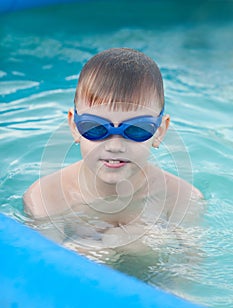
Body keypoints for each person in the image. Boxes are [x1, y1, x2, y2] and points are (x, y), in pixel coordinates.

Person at [23, 48, 203, 250]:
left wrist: (143, 247)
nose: (115, 146)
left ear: (159, 131)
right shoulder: (46, 197)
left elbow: (186, 268)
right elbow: (44, 265)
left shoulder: (181, 199)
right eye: (96, 128)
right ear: (74, 126)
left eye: (136, 129)